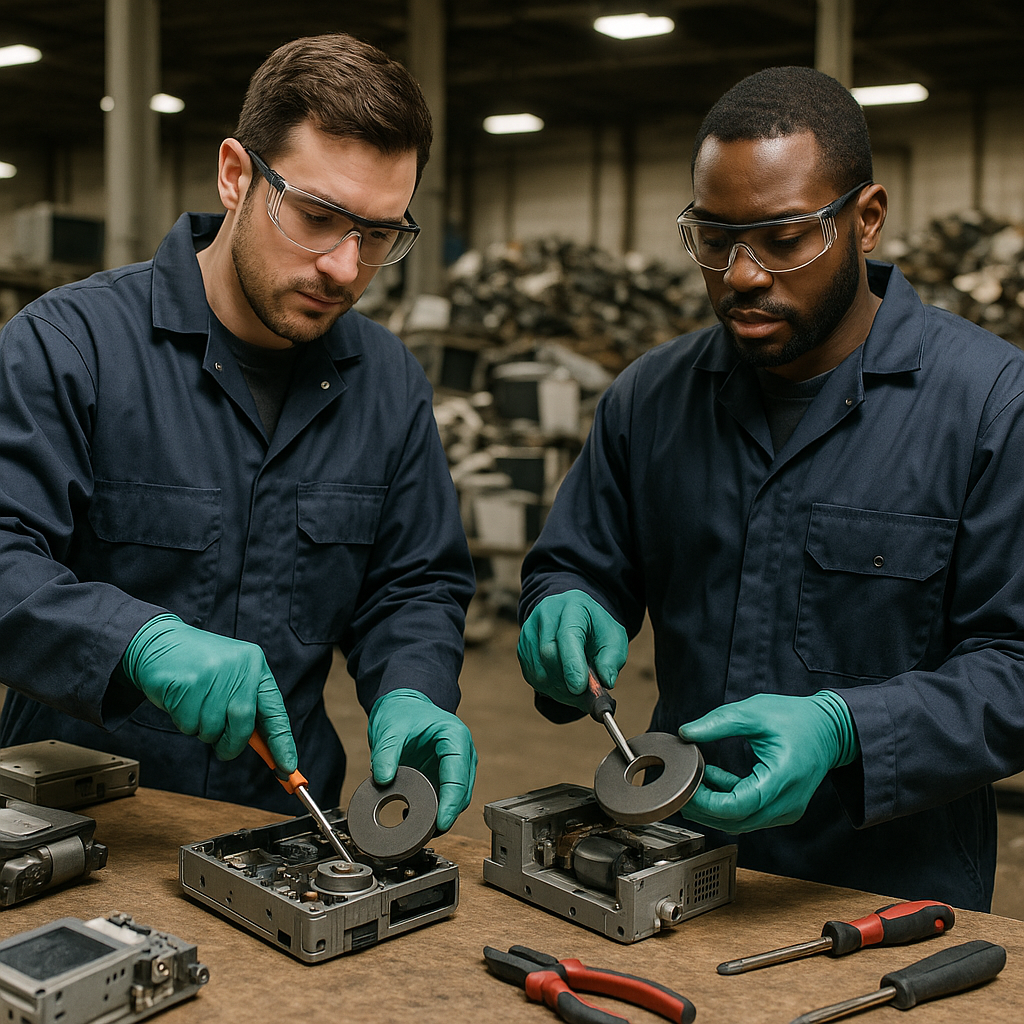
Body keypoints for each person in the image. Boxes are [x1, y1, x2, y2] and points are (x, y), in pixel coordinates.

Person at [517, 65, 1024, 911]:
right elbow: (576, 564)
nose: (742, 274)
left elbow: (1015, 665)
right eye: (714, 239)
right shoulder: (651, 399)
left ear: (866, 219)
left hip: (885, 900)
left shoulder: (989, 408)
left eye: (784, 239)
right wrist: (564, 603)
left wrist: (847, 730)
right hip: (677, 874)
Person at [0, 33, 477, 831]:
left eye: (380, 235)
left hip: (282, 824)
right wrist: (137, 641)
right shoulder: (71, 346)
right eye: (318, 217)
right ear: (236, 176)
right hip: (83, 820)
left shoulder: (387, 382)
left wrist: (414, 687)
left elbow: (415, 581)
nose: (344, 267)